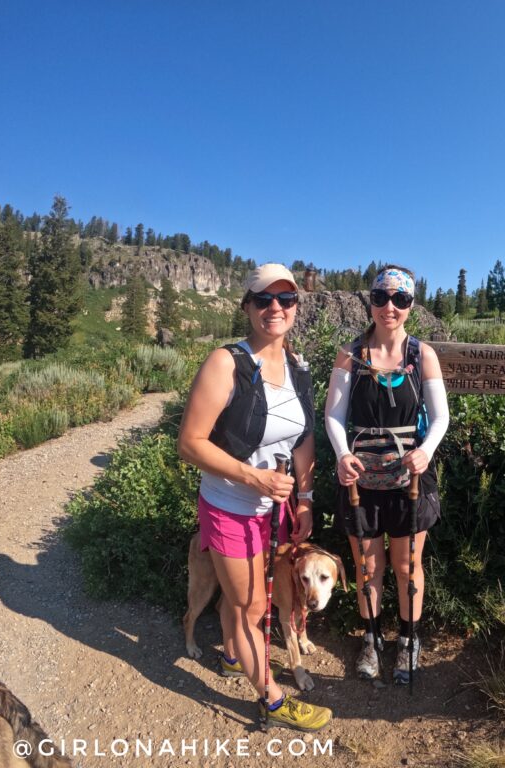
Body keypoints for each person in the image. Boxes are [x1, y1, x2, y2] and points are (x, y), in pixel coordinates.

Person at [177, 263, 331, 732]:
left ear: (296, 308)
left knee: (243, 600)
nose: (275, 308)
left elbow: (303, 437)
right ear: (246, 306)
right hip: (229, 506)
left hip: (275, 511)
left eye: (285, 300)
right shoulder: (226, 363)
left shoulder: (299, 367)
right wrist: (252, 478)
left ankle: (231, 655)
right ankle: (273, 699)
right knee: (253, 608)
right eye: (263, 299)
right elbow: (190, 444)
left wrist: (303, 498)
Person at [324, 265, 449, 685]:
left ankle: (409, 639)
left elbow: (441, 416)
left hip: (408, 480)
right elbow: (334, 416)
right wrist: (342, 455)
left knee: (407, 564)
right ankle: (372, 638)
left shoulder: (422, 354)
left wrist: (426, 451)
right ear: (371, 302)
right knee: (366, 565)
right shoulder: (350, 355)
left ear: (411, 305)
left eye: (400, 299)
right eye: (381, 298)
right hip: (360, 479)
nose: (389, 307)